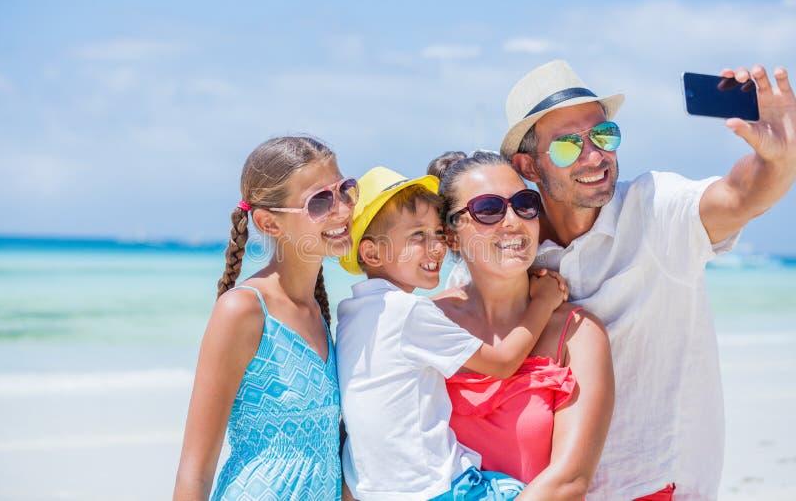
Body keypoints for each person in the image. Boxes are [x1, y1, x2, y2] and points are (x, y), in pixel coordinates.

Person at [448, 59, 796, 500]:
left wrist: (778, 161)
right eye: (568, 146)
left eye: (604, 135)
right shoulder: (510, 243)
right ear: (529, 167)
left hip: (651, 485)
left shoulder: (655, 211)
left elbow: (740, 195)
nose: (595, 156)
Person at [335, 166, 569, 500]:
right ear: (372, 253)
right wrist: (544, 302)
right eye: (418, 236)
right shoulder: (408, 312)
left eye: (438, 234)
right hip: (439, 489)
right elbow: (503, 362)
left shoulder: (350, 314)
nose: (436, 248)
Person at [173, 136, 359, 500]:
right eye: (320, 201)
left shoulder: (319, 312)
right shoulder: (243, 310)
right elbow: (195, 472)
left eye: (345, 190)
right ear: (269, 223)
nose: (343, 210)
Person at [429, 151, 615, 501]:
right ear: (451, 237)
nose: (513, 220)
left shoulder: (578, 334)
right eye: (488, 209)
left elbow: (569, 481)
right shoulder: (427, 323)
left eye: (524, 204)